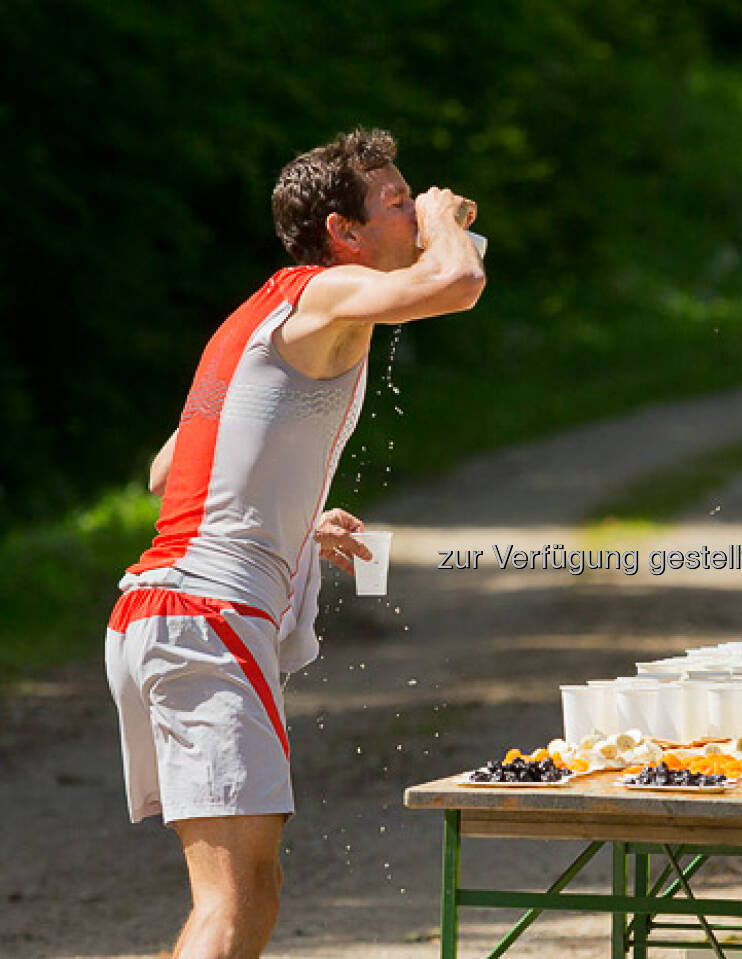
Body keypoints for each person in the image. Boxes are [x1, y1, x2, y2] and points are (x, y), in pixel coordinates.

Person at [104, 127, 485, 959]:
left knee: (247, 890)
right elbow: (456, 280)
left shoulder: (271, 308)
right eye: (397, 203)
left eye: (416, 201)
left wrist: (292, 519)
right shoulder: (323, 291)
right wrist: (449, 217)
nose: (415, 216)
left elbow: (175, 465)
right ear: (344, 234)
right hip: (203, 617)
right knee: (233, 902)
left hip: (170, 612)